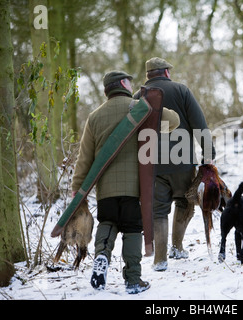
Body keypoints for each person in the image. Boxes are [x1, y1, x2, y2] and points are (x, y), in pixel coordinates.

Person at [71, 70, 179, 293]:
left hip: (105, 189)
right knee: (131, 229)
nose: (131, 85)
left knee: (108, 222)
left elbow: (84, 159)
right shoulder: (139, 108)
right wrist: (150, 103)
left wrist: (77, 190)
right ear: (122, 84)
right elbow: (173, 122)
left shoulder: (95, 116)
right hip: (134, 187)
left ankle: (102, 256)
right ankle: (132, 279)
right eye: (129, 82)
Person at [134, 57, 215, 271]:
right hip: (183, 162)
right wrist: (209, 154)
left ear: (148, 76)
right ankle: (177, 247)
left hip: (151, 164)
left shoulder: (138, 97)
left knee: (159, 211)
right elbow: (199, 124)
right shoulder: (182, 91)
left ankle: (160, 259)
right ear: (166, 72)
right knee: (185, 202)